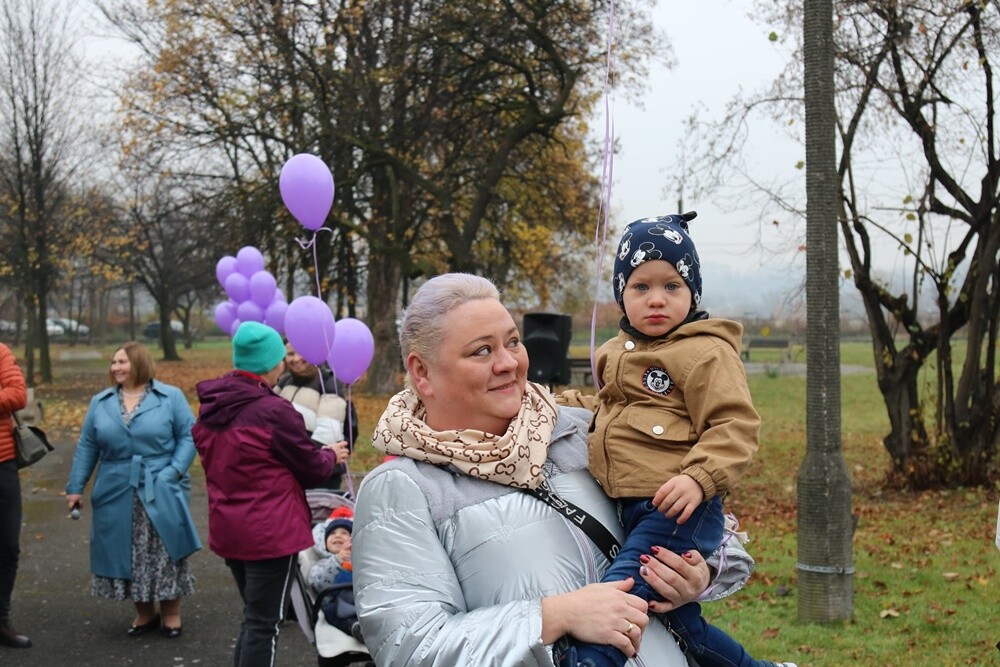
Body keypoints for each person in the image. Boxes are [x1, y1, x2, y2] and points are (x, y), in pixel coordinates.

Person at [352, 272, 755, 667]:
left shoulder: (583, 430)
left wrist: (699, 575)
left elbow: (715, 533)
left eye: (513, 342)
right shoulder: (404, 489)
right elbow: (408, 646)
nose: (508, 362)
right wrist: (555, 617)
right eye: (482, 351)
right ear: (422, 372)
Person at [556, 213, 793, 667]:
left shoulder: (705, 353)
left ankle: (590, 662)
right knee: (683, 631)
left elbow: (734, 424)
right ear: (621, 296)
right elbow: (604, 408)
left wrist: (699, 478)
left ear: (693, 293)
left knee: (617, 601)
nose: (656, 299)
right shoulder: (615, 353)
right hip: (634, 509)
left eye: (672, 286)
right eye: (641, 287)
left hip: (679, 508)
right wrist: (551, 403)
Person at [193, 321, 349, 667]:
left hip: (229, 527)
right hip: (269, 534)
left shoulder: (212, 407)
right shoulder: (274, 411)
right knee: (265, 624)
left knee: (254, 618)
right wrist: (330, 456)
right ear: (271, 363)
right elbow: (310, 467)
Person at [65, 341, 201, 639]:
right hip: (115, 486)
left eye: (122, 362)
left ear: (138, 363)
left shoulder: (170, 397)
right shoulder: (100, 402)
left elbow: (190, 436)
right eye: (113, 363)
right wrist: (75, 487)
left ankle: (171, 613)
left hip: (160, 484)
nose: (115, 368)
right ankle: (144, 613)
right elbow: (88, 446)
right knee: (127, 551)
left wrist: (173, 471)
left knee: (165, 549)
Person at [275, 341, 358, 491]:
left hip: (322, 473)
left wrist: (291, 456)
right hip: (291, 470)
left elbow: (327, 434)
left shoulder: (329, 382)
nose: (296, 359)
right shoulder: (283, 382)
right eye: (290, 354)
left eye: (301, 352)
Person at [0, 343, 29, 649]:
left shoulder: (0, 353)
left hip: (2, 464)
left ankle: (1, 619)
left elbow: (17, 394)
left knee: (7, 546)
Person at [308, 512, 362, 641]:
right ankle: (355, 628)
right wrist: (337, 561)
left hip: (363, 602)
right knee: (331, 611)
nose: (338, 535)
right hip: (338, 605)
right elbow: (317, 583)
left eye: (344, 533)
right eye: (332, 533)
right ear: (325, 544)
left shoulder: (361, 560)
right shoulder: (323, 563)